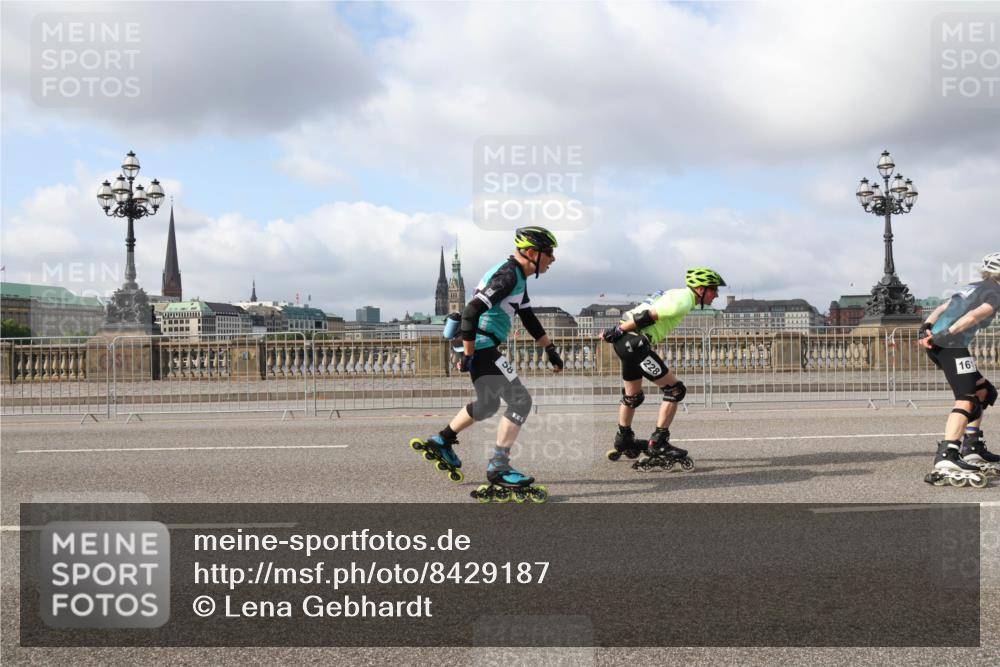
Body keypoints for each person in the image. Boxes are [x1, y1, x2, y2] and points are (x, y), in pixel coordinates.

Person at [410, 226, 564, 502]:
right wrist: (469, 355)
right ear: (532, 253)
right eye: (549, 253)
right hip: (480, 344)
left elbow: (529, 318)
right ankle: (499, 467)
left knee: (489, 403)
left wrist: (550, 349)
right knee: (521, 401)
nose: (553, 259)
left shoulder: (518, 278)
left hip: (479, 344)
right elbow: (470, 311)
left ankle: (442, 440)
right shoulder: (508, 276)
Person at [600, 268, 725, 471]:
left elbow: (640, 310)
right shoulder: (684, 300)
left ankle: (624, 438)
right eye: (714, 289)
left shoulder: (674, 293)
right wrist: (619, 329)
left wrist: (618, 330)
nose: (717, 295)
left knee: (633, 396)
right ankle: (658, 443)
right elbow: (649, 315)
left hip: (626, 343)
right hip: (635, 343)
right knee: (675, 390)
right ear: (701, 289)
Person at [919, 251, 1000, 488]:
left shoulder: (973, 286)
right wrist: (946, 334)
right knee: (966, 399)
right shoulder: (995, 292)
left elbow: (943, 307)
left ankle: (972, 447)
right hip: (950, 345)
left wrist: (927, 326)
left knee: (983, 391)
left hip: (944, 344)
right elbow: (974, 316)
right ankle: (947, 455)